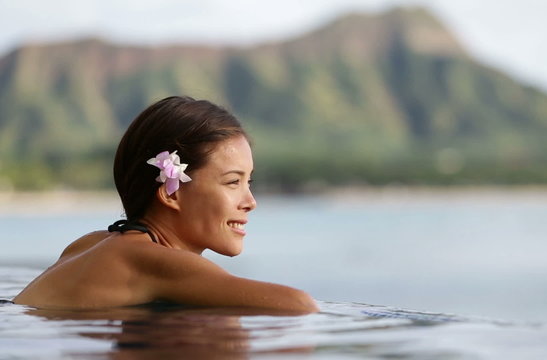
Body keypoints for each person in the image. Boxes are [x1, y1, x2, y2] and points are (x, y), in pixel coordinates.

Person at [13, 96, 318, 314]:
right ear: (171, 194)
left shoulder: (90, 243)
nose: (250, 202)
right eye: (232, 182)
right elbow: (300, 305)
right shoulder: (153, 260)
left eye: (248, 182)